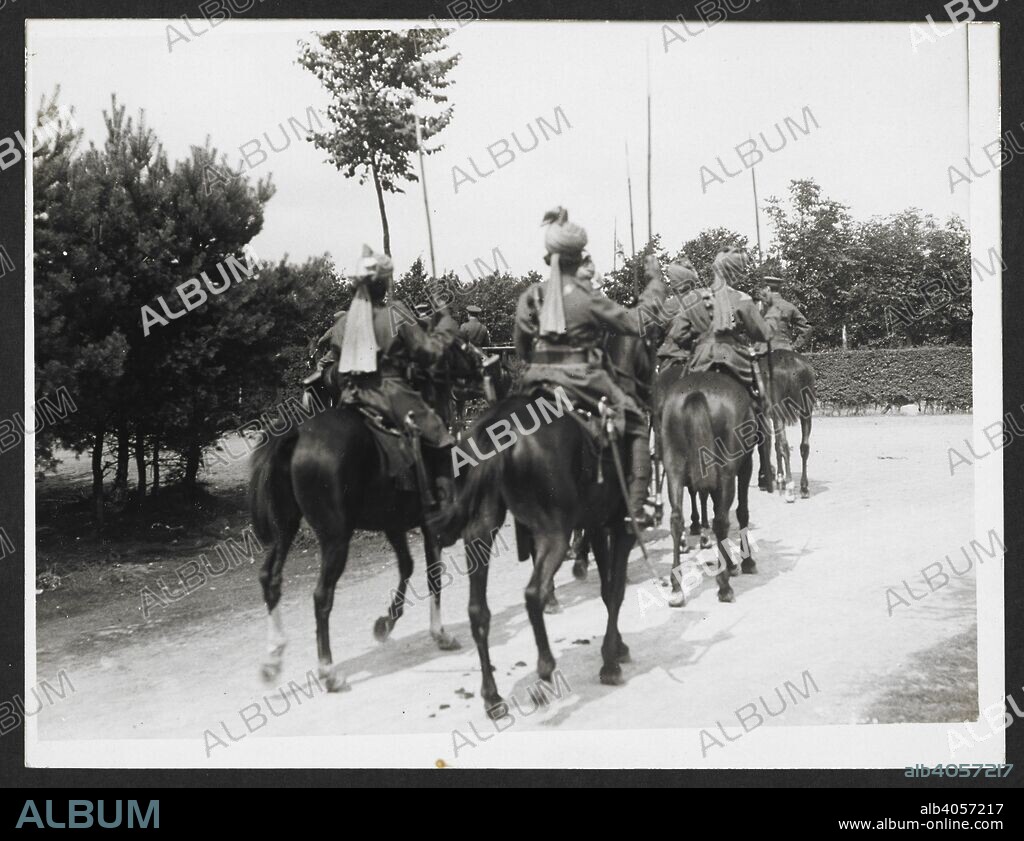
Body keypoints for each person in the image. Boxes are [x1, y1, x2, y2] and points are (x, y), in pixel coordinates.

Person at [513, 206, 669, 527]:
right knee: (637, 420)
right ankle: (636, 507)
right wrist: (655, 284)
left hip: (535, 380)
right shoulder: (587, 298)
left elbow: (521, 345)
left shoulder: (532, 295)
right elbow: (635, 322)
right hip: (582, 380)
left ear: (551, 257)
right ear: (577, 258)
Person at [323, 245, 460, 511]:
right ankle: (443, 506)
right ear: (383, 285)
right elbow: (427, 353)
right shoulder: (395, 313)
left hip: (352, 397)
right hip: (392, 394)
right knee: (440, 436)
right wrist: (445, 325)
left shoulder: (342, 324)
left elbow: (337, 367)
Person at [757, 276, 810, 353]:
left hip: (763, 352)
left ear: (768, 289)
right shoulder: (789, 306)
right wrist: (794, 347)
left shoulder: (760, 306)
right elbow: (808, 326)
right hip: (785, 352)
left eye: (762, 289)